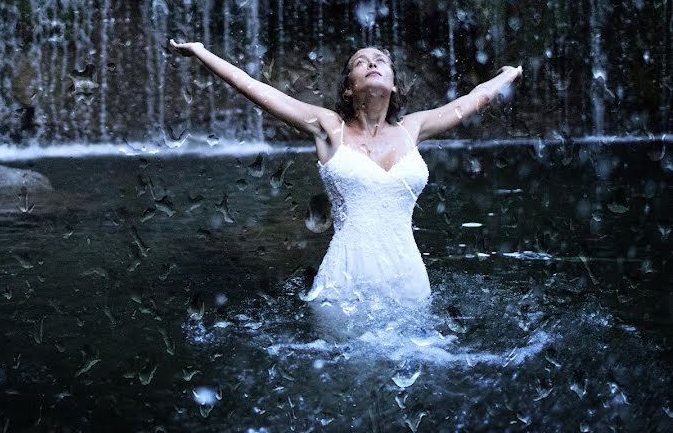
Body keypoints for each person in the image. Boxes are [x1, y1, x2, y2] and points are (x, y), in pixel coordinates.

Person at [168, 40, 522, 303]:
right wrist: (201, 52)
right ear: (349, 86)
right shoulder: (328, 127)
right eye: (360, 62)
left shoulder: (413, 128)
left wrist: (506, 76)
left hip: (409, 282)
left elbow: (471, 100)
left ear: (394, 84)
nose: (372, 64)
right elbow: (255, 88)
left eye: (380, 61)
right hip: (344, 284)